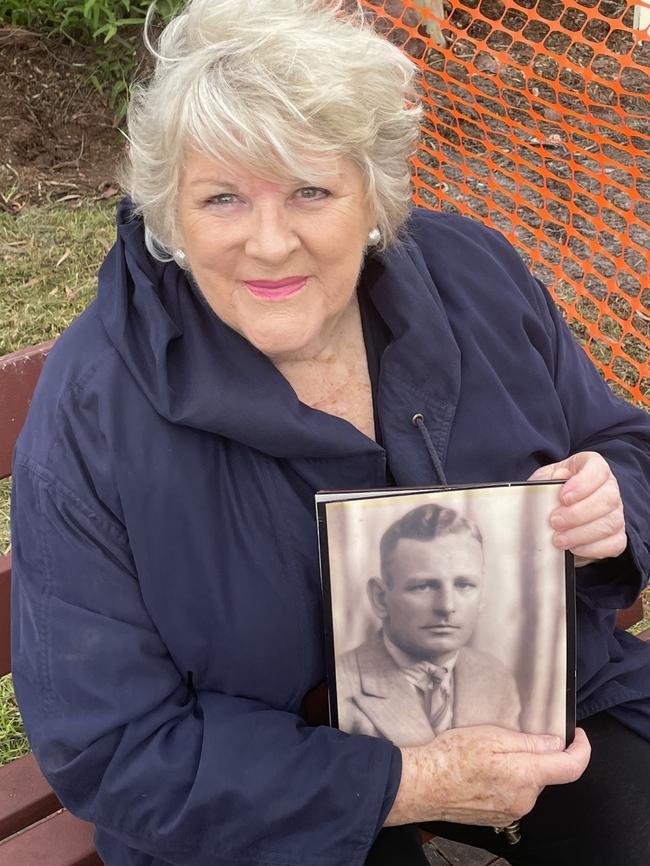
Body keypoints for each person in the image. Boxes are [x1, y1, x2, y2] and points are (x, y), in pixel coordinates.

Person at [9, 1, 649, 865]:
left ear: (374, 195)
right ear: (170, 214)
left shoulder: (474, 277)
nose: (270, 244)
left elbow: (626, 444)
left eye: (311, 190)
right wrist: (409, 783)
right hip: (263, 788)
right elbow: (110, 747)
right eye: (223, 197)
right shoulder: (97, 405)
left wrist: (613, 506)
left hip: (535, 700)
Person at [337, 503, 521, 745]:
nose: (446, 606)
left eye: (464, 584)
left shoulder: (495, 677)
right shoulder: (341, 683)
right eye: (424, 586)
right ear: (380, 598)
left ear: (482, 594)